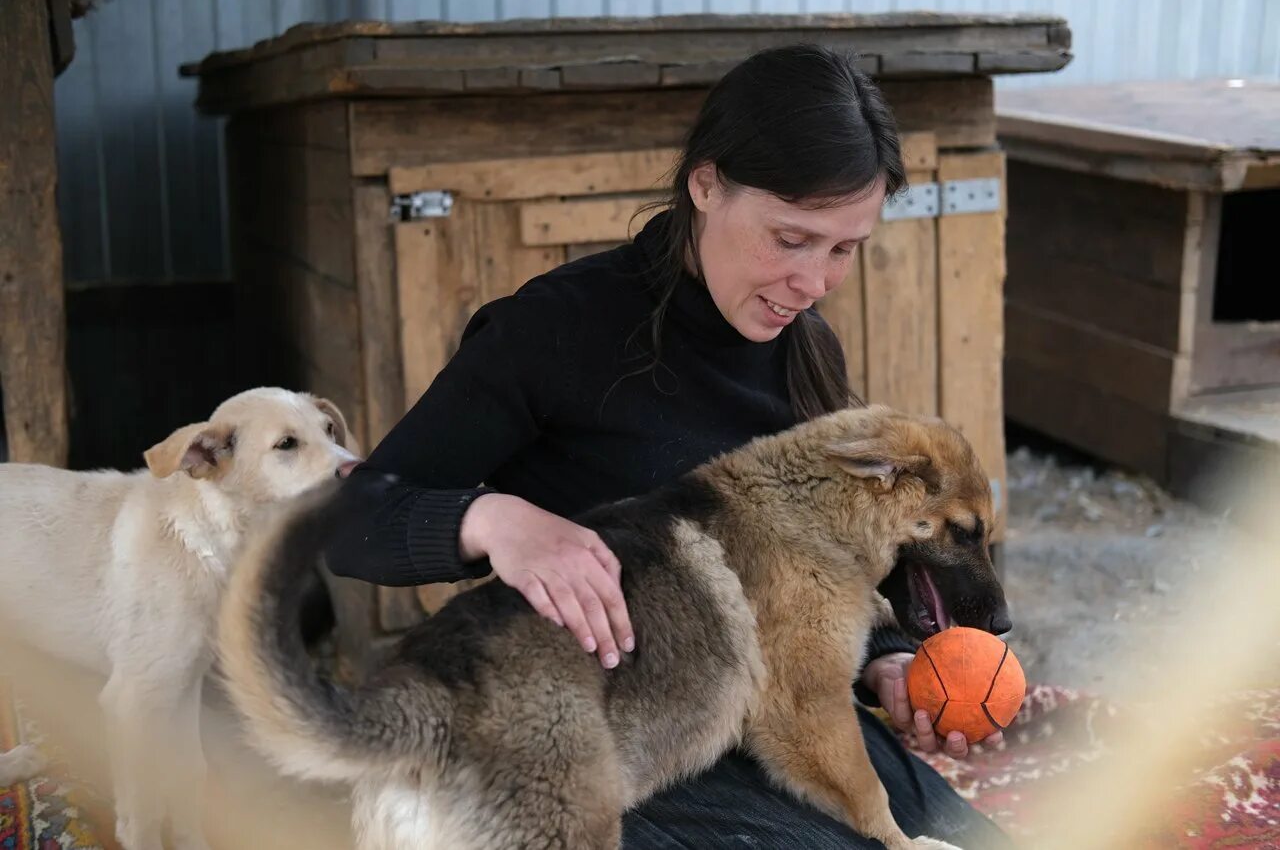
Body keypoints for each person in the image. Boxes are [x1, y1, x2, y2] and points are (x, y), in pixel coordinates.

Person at [322, 43, 1013, 849]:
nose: (815, 281)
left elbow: (832, 567)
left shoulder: (808, 348)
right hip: (600, 732)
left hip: (756, 711)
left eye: (844, 248)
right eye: (790, 238)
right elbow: (349, 521)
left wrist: (888, 662)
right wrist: (493, 520)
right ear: (706, 184)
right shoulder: (550, 329)